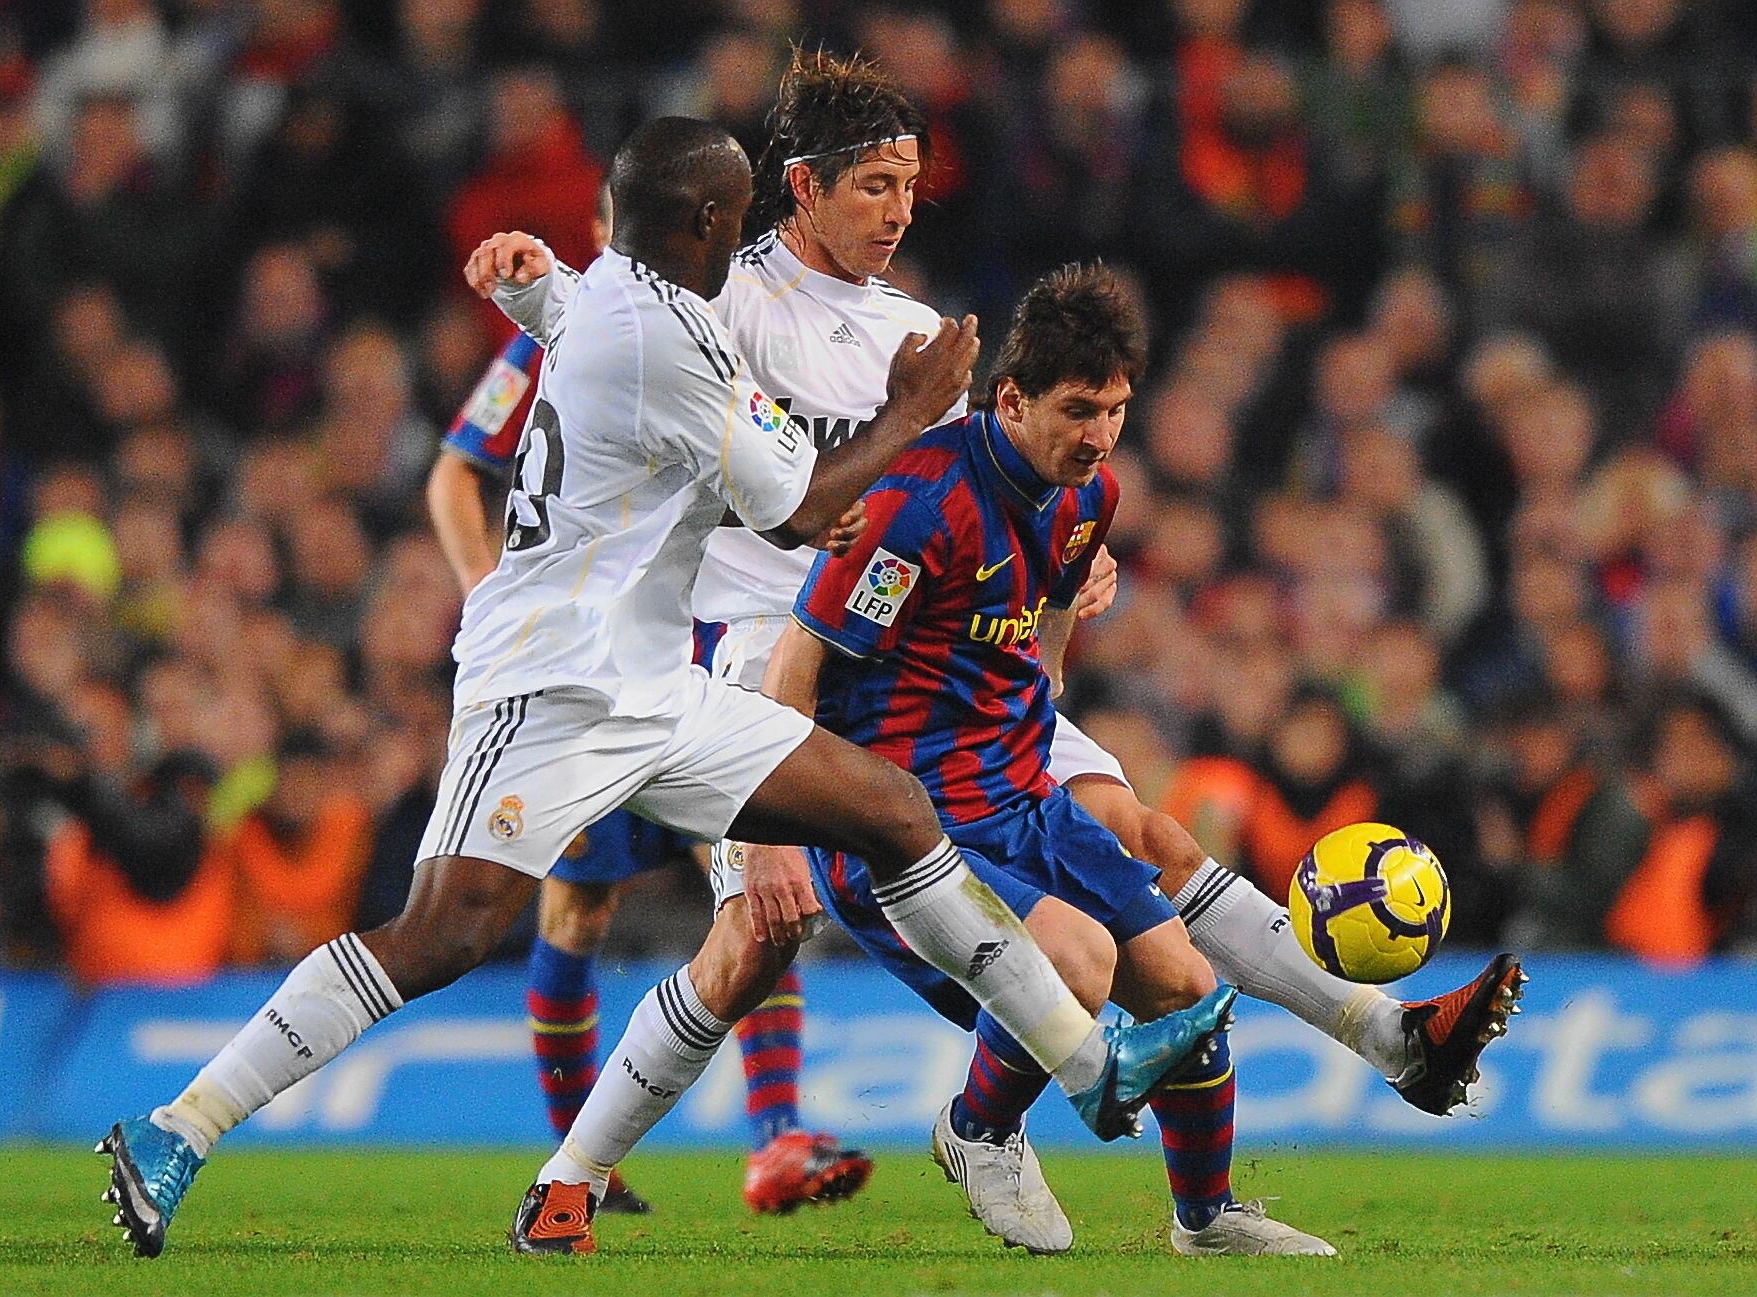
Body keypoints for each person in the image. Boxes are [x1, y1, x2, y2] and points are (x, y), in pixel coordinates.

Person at [95, 116, 1230, 1260]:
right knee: (443, 931)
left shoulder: (614, 297)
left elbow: (574, 317)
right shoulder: (669, 341)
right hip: (546, 685)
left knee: (890, 810)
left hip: (660, 685)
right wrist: (906, 412)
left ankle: (1088, 1068)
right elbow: (799, 509)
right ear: (703, 223)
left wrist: (524, 284)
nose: (748, 236)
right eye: (736, 216)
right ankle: (175, 1127)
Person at [480, 45, 1524, 1250]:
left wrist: (1063, 558)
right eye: (874, 184)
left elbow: (989, 492)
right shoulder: (725, 297)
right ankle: (571, 1174)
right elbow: (616, 329)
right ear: (802, 187)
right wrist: (535, 293)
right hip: (756, 641)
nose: (900, 208)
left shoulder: (918, 331)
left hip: (930, 651)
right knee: (756, 933)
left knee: (1144, 829)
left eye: (911, 183)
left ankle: (1383, 1034)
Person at [782, 264, 1332, 1255]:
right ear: (1009, 398)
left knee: (1184, 979)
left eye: (1117, 410)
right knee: (1079, 960)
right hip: (898, 828)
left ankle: (1207, 1220)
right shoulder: (914, 504)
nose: (1101, 435)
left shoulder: (1089, 499)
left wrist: (1034, 721)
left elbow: (1042, 636)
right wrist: (785, 836)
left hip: (1015, 798)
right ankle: (979, 1129)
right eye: (1080, 411)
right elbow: (797, 666)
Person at [427, 184, 870, 1213]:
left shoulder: (720, 337)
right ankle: (585, 1149)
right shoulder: (551, 333)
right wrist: (490, 592)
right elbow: (457, 474)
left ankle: (775, 1133)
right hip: (576, 670)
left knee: (756, 881)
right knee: (577, 903)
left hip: (693, 650)